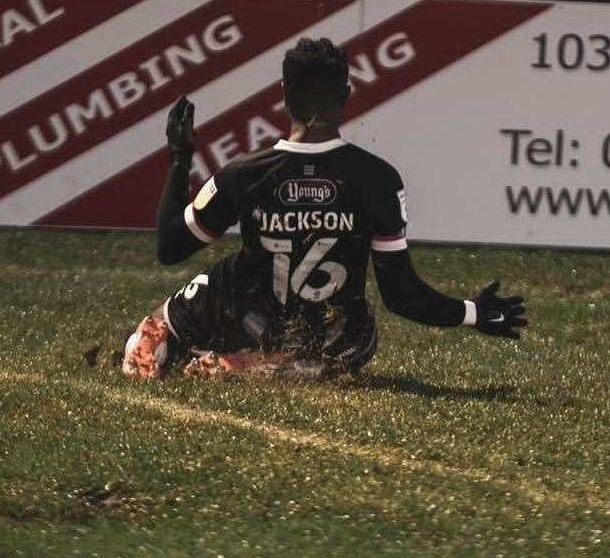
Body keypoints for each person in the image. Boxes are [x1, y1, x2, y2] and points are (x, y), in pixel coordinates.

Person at [122, 38, 527, 379]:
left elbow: (170, 246)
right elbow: (401, 295)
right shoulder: (377, 179)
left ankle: (213, 356)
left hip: (248, 318)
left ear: (283, 94)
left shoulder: (244, 173)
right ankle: (262, 364)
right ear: (346, 95)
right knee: (359, 326)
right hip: (331, 337)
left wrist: (179, 158)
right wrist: (473, 312)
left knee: (149, 339)